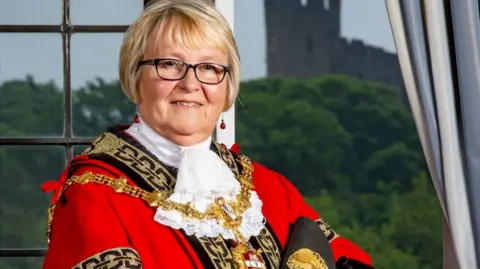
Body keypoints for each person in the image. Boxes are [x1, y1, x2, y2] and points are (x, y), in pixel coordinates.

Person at [41, 0, 374, 268]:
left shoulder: (270, 190)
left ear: (228, 88)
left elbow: (349, 260)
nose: (190, 84)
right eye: (169, 64)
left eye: (210, 68)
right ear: (134, 77)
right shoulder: (94, 196)